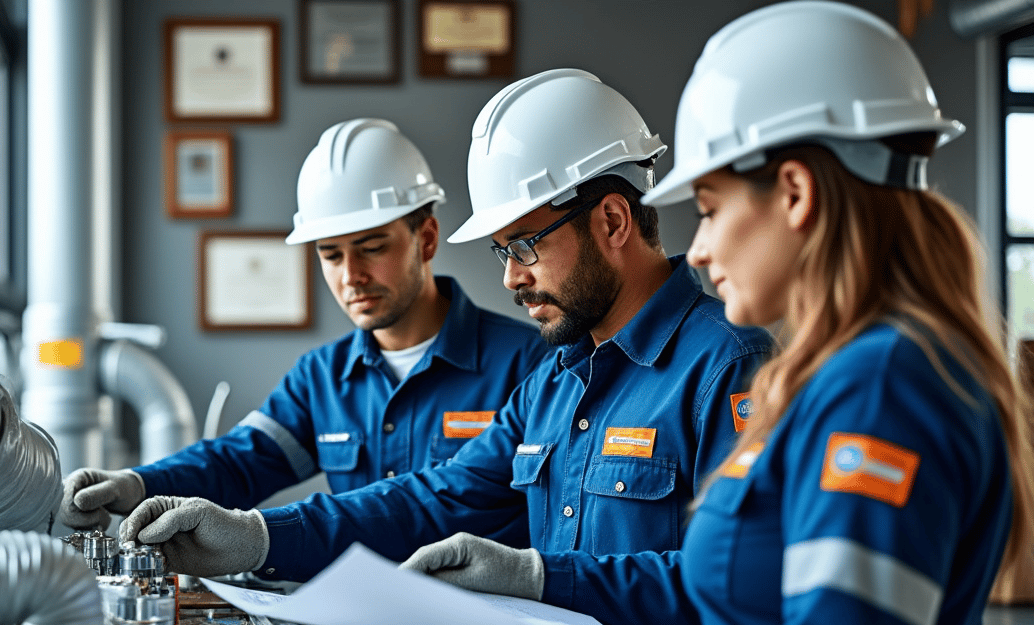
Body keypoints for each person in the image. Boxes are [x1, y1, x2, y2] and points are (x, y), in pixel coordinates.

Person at [403, 4, 1034, 625]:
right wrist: (540, 576)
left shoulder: (884, 388)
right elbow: (731, 580)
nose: (697, 250)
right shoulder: (837, 377)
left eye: (709, 206)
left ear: (794, 194)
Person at [116, 70, 774, 595]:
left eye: (525, 245)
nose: (512, 278)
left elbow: (736, 587)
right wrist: (259, 533)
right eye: (502, 252)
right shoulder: (555, 379)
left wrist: (539, 581)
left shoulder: (728, 365)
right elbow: (432, 499)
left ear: (610, 221)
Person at [58, 118, 547, 534]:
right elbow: (237, 461)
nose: (350, 276)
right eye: (330, 255)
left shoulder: (529, 364)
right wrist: (136, 484)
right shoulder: (321, 379)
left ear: (426, 238)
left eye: (371, 247)